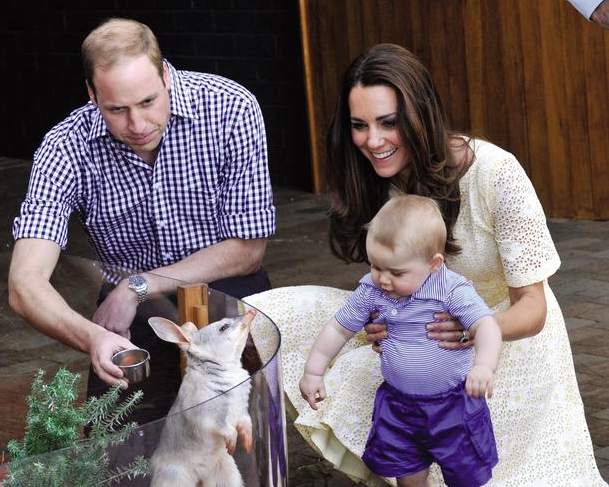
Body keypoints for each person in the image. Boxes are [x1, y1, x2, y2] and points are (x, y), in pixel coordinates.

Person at [244, 43, 607, 485]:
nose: (372, 141)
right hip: (416, 339)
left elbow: (534, 307)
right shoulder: (379, 177)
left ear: (420, 116)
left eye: (388, 123)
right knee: (268, 317)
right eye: (360, 126)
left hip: (504, 341)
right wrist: (377, 318)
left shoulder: (497, 173)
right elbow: (389, 280)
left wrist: (470, 330)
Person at [8, 18, 275, 424]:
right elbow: (24, 285)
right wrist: (94, 337)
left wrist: (138, 285)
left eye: (148, 102)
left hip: (227, 292)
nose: (137, 125)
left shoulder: (231, 107)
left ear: (165, 74)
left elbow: (249, 249)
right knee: (117, 452)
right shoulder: (64, 147)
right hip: (130, 318)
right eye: (117, 109)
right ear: (92, 94)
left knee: (242, 446)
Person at [300, 195, 502, 487]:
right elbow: (338, 328)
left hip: (453, 406)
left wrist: (484, 366)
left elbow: (486, 325)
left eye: (396, 272)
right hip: (399, 406)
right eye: (376, 266)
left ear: (433, 263)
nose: (383, 279)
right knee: (407, 476)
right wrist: (313, 371)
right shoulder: (371, 290)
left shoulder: (450, 290)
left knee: (466, 476)